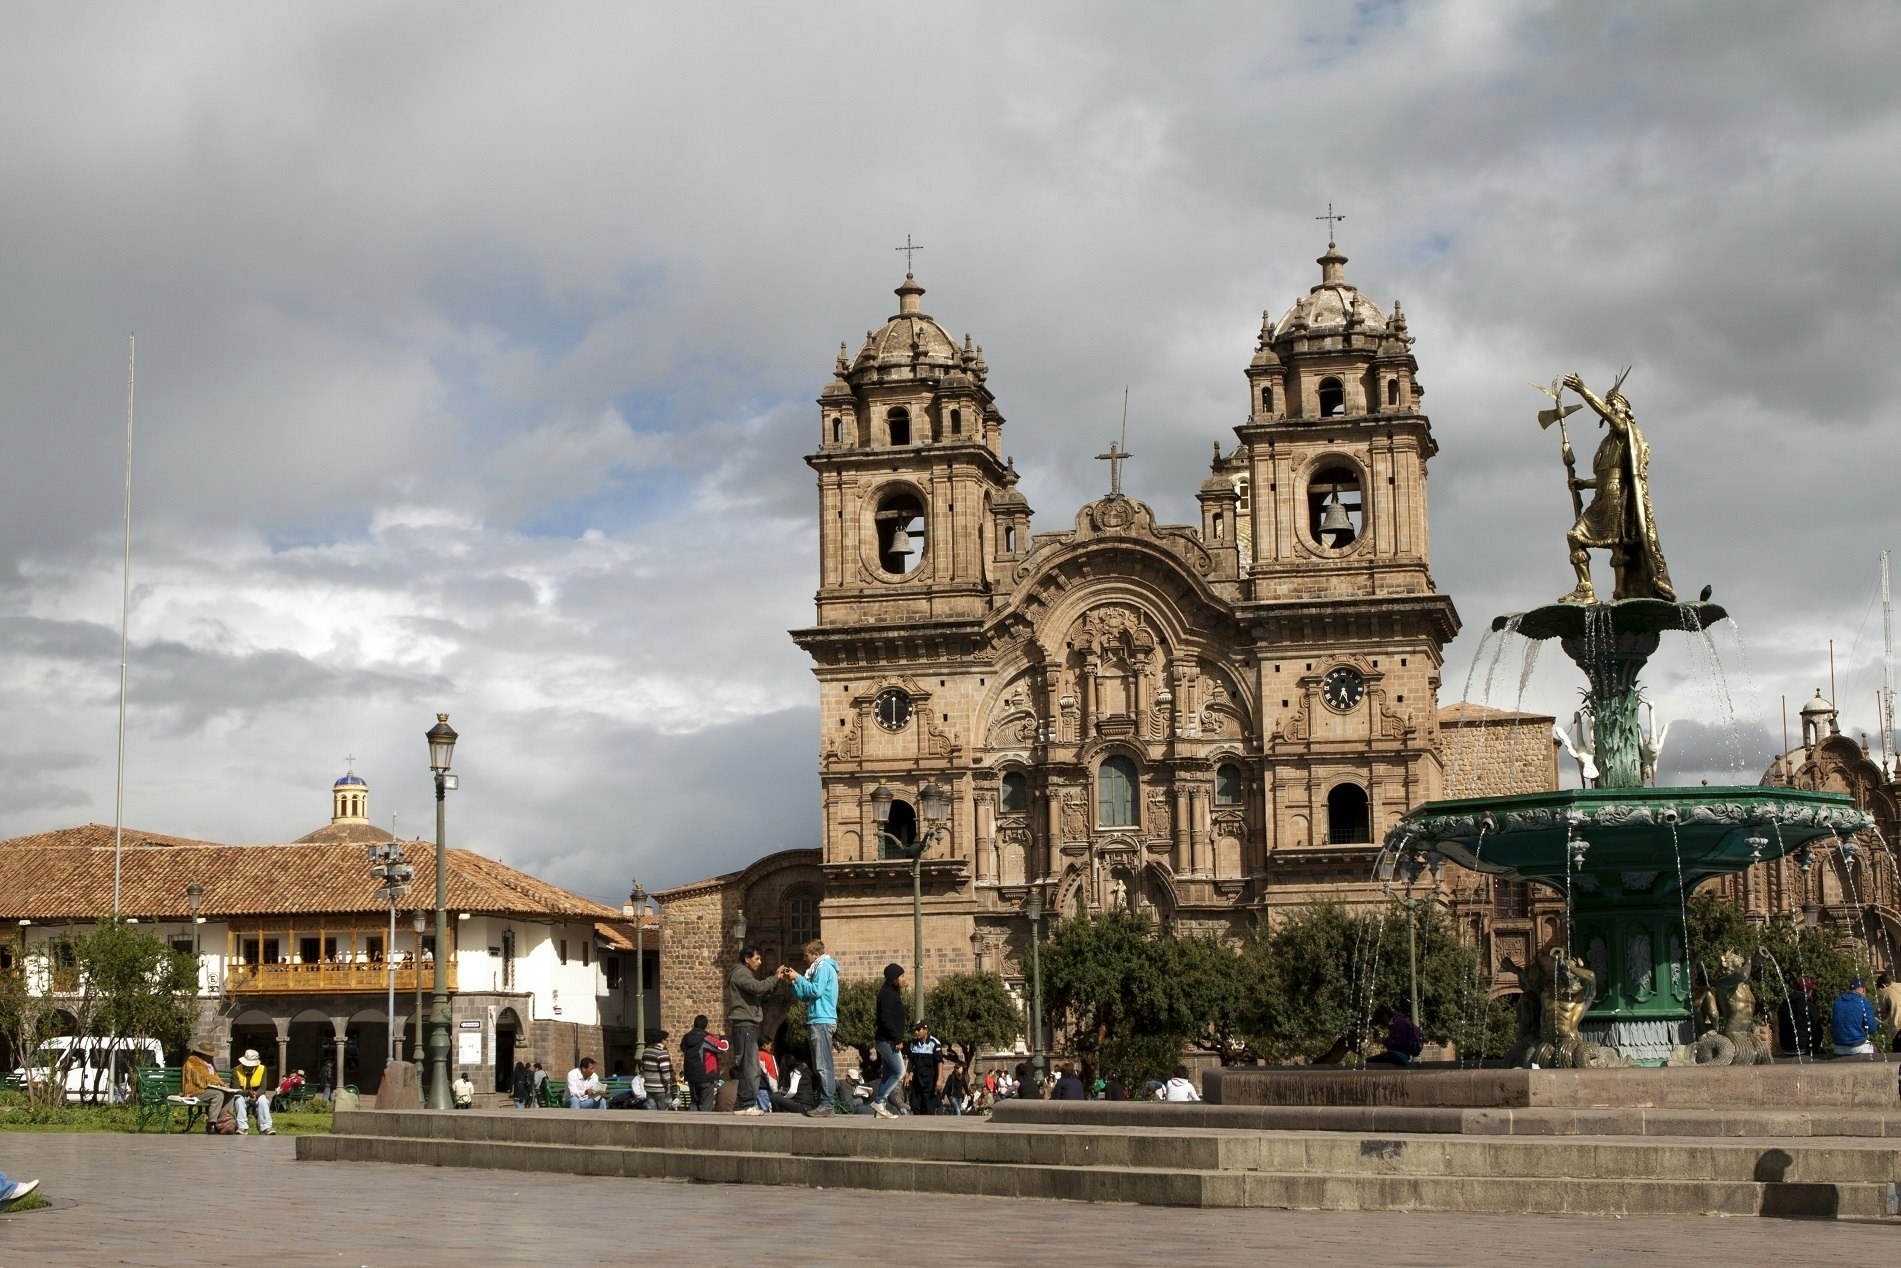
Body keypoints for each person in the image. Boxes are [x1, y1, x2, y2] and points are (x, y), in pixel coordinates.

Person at [783, 938, 839, 1116]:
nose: (804, 959)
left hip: (822, 1020)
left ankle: (827, 1104)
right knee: (820, 1065)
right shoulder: (818, 968)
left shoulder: (823, 968)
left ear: (816, 954)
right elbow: (806, 996)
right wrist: (792, 983)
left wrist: (798, 977)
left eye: (806, 955)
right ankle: (824, 1102)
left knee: (823, 1065)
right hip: (817, 1019)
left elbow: (815, 991)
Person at [726, 946, 779, 1117]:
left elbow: (757, 993)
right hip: (745, 1026)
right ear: (746, 959)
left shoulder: (743, 973)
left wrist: (772, 986)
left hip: (748, 1025)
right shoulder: (741, 973)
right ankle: (744, 1104)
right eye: (757, 958)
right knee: (749, 1067)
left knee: (750, 1067)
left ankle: (744, 1103)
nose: (760, 962)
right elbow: (756, 987)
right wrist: (774, 978)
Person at [871, 963, 909, 1119]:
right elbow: (886, 1019)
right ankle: (879, 1101)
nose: (904, 979)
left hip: (887, 1040)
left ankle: (880, 1110)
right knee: (899, 1071)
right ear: (895, 979)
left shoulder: (891, 992)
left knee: (887, 1074)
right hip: (887, 1041)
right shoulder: (887, 994)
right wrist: (897, 1038)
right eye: (902, 976)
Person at [181, 1044, 234, 1133]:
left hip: (208, 1089)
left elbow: (214, 1076)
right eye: (210, 1054)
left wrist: (222, 1086)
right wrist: (220, 1083)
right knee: (218, 1094)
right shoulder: (193, 1061)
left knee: (230, 1094)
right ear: (202, 1054)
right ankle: (211, 1124)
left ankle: (225, 1122)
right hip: (195, 1090)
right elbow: (203, 1077)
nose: (212, 1056)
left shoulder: (210, 1063)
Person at [904, 1019, 946, 1116]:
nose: (916, 1032)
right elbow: (911, 1061)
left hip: (929, 1082)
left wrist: (939, 1080)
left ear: (926, 1030)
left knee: (928, 1108)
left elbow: (940, 1062)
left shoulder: (934, 1043)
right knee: (915, 1107)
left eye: (919, 1029)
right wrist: (907, 1075)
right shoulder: (913, 1044)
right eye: (915, 1029)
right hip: (917, 1081)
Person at [1777, 977, 1823, 1059]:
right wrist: (1816, 1046)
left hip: (1786, 1048)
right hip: (1804, 1048)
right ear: (1809, 991)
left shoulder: (1783, 1005)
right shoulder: (1808, 1005)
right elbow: (1817, 1029)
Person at [231, 1048, 274, 1135]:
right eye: (245, 1064)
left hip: (257, 1094)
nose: (247, 1066)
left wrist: (256, 1094)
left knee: (263, 1101)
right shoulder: (236, 1070)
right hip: (242, 1094)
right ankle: (242, 1127)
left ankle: (266, 1127)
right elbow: (236, 1089)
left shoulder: (262, 1069)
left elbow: (263, 1087)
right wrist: (247, 1093)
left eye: (250, 1065)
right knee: (239, 1100)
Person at [1831, 979, 1878, 1057]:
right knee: (1876, 1052)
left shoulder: (1837, 1001)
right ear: (1863, 990)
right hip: (1857, 1046)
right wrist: (1877, 1024)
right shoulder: (1864, 1002)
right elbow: (1871, 1029)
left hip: (1838, 1047)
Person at [638, 1031, 676, 1111]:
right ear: (662, 1040)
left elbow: (642, 1067)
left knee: (652, 1111)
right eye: (666, 1040)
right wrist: (669, 1084)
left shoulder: (646, 1050)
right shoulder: (661, 1051)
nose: (667, 1042)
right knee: (662, 1112)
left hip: (648, 1087)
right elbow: (665, 1071)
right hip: (660, 1087)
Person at [1876, 973, 1901, 1052]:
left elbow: (1881, 1013)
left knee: (1897, 1058)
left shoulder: (1885, 991)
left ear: (1883, 985)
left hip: (1899, 1029)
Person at [756, 1038, 781, 1112]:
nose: (771, 1047)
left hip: (753, 1090)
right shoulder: (768, 1057)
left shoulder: (752, 1055)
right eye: (770, 1045)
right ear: (764, 1045)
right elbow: (772, 1075)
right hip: (764, 1091)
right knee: (766, 1115)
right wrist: (776, 1091)